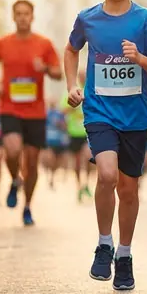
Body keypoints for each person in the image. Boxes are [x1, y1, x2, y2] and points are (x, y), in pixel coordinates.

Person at [65, 0, 147, 292]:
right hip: (99, 113)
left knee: (129, 187)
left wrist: (140, 59)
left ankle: (124, 255)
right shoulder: (87, 18)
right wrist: (71, 85)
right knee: (107, 173)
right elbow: (70, 49)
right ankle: (104, 242)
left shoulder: (146, 20)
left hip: (135, 118)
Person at [0, 0, 62, 226]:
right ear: (13, 16)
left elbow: (58, 73)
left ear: (32, 16)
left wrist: (46, 69)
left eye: (26, 13)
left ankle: (27, 205)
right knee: (12, 150)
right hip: (10, 107)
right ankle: (15, 181)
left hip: (36, 112)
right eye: (18, 13)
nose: (22, 17)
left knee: (32, 161)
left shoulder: (44, 44)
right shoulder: (2, 43)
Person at [61, 69, 93, 202]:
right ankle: (80, 185)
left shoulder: (91, 90)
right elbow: (63, 110)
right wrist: (73, 106)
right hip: (74, 132)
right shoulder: (72, 91)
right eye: (80, 76)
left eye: (85, 76)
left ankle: (87, 184)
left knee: (89, 157)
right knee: (78, 162)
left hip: (88, 132)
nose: (83, 78)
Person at [44, 100, 69, 189]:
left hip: (59, 141)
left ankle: (53, 175)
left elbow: (65, 126)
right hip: (49, 141)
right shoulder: (46, 114)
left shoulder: (60, 114)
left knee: (58, 161)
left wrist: (61, 124)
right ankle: (50, 177)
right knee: (50, 159)